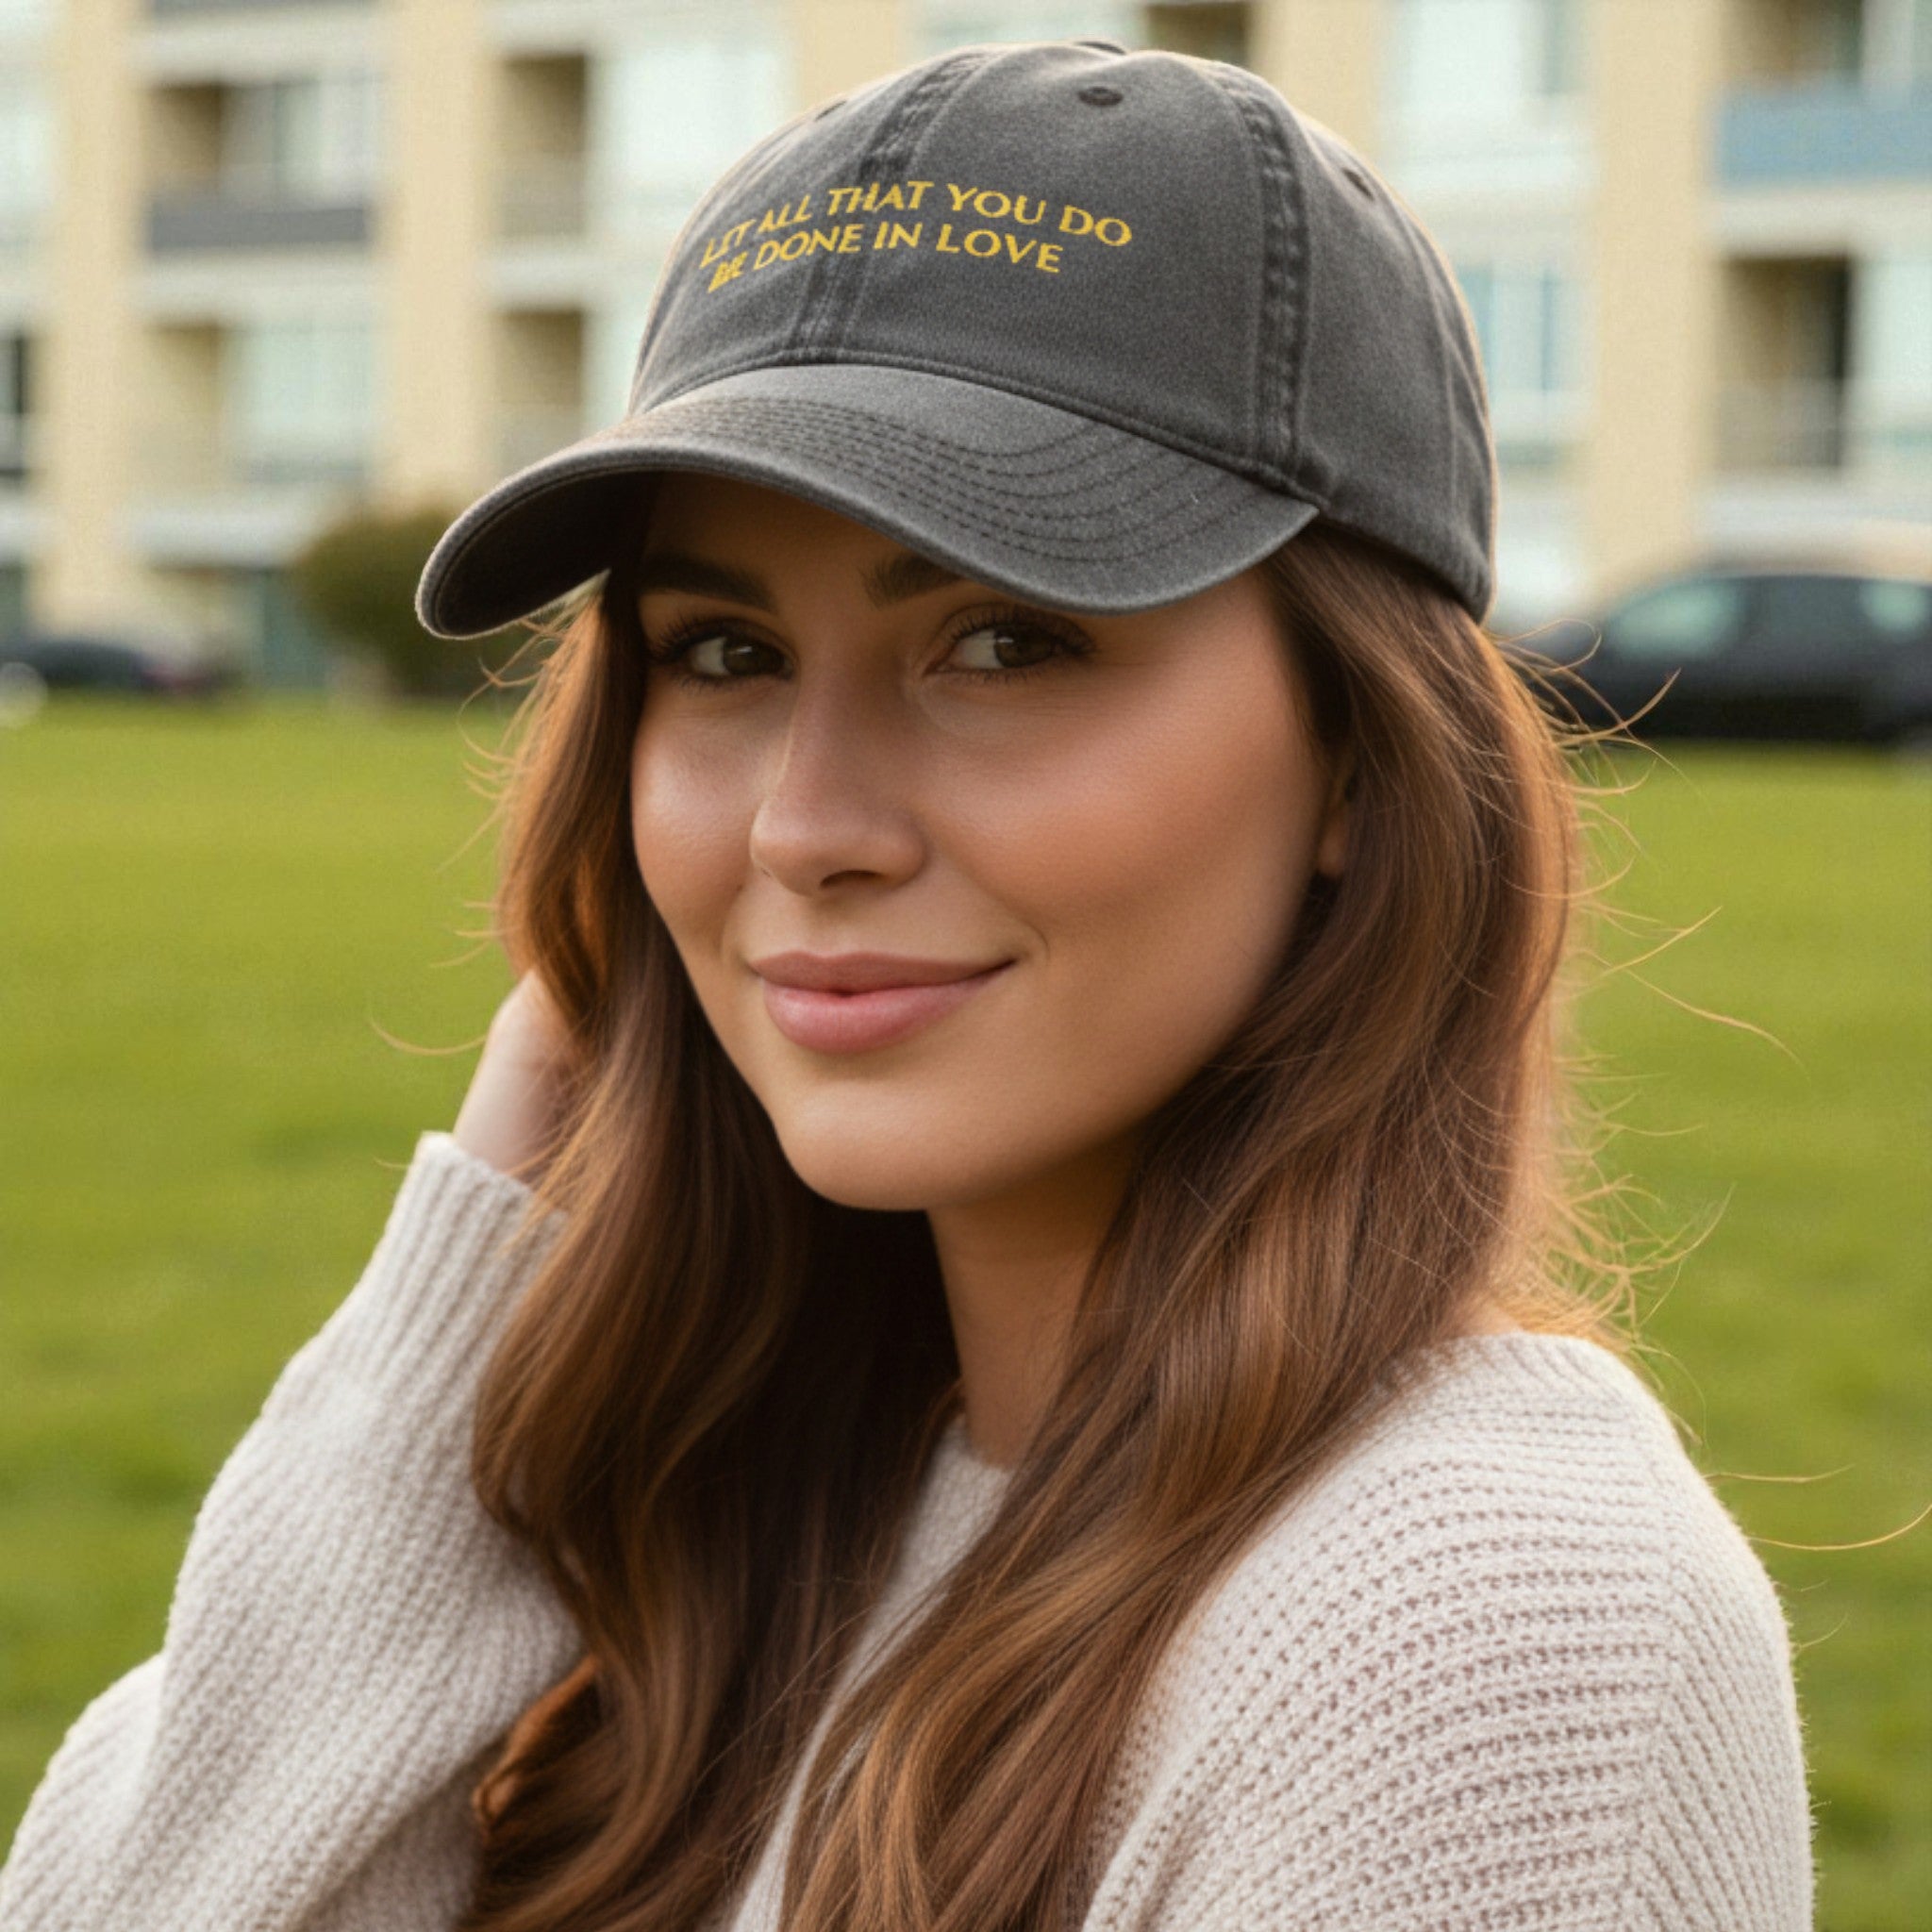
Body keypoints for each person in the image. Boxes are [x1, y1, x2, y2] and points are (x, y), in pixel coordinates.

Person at [0, 37, 1814, 1932]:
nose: (806, 826)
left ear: (1359, 761)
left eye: (1005, 641)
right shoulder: (721, 1529)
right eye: (724, 652)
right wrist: (462, 1368)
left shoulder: (1476, 1627)